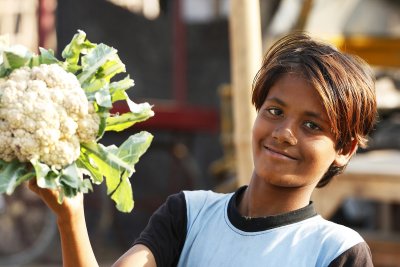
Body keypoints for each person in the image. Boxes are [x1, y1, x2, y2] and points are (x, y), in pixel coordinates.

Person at [29, 32, 377, 267]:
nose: (285, 133)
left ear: (344, 148)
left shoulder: (337, 252)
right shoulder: (188, 215)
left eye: (312, 126)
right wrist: (69, 217)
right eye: (275, 111)